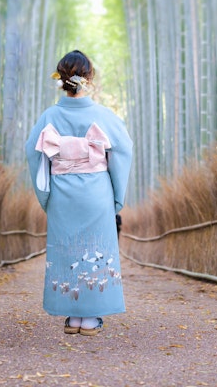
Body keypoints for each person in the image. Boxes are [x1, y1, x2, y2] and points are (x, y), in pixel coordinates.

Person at [25, 50, 133, 336]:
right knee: (96, 249)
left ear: (61, 79)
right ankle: (91, 317)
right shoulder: (103, 115)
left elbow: (32, 151)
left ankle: (73, 317)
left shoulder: (50, 115)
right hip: (96, 190)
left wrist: (45, 195)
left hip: (62, 191)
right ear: (89, 79)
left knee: (67, 249)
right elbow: (123, 150)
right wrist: (116, 196)